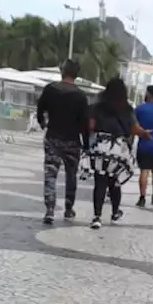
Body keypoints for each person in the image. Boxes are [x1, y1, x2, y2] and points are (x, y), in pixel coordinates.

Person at [83, 78, 151, 230]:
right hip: (118, 149)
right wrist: (144, 133)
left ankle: (97, 217)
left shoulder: (98, 106)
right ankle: (114, 213)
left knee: (100, 183)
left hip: (100, 147)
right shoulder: (127, 108)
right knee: (115, 181)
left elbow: (91, 126)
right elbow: (134, 129)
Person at [35, 59, 90, 225]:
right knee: (71, 175)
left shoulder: (50, 89)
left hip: (53, 138)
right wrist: (86, 144)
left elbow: (40, 109)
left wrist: (42, 123)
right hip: (73, 142)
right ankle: (68, 208)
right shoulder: (80, 96)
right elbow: (84, 123)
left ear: (62, 71)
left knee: (50, 174)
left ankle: (50, 209)